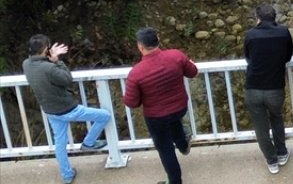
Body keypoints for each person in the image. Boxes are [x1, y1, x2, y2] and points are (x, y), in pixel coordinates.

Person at [23, 34, 114, 184]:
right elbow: (66, 79)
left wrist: (49, 58)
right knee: (104, 115)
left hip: (50, 110)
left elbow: (43, 71)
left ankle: (67, 175)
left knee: (60, 142)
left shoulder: (26, 64)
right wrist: (57, 61)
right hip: (67, 109)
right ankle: (88, 143)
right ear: (46, 50)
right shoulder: (49, 67)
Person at [123, 27, 198, 184]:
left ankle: (175, 181)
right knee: (174, 122)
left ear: (140, 46)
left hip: (156, 116)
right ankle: (183, 145)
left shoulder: (136, 73)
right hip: (179, 108)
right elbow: (192, 72)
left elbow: (132, 102)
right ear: (158, 40)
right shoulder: (176, 56)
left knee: (165, 149)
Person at [244, 4, 293, 174]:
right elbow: (288, 56)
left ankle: (272, 161)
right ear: (274, 17)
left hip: (253, 87)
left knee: (260, 127)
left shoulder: (250, 35)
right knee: (276, 118)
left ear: (257, 18)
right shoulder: (283, 32)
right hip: (275, 88)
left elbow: (248, 57)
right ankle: (281, 152)